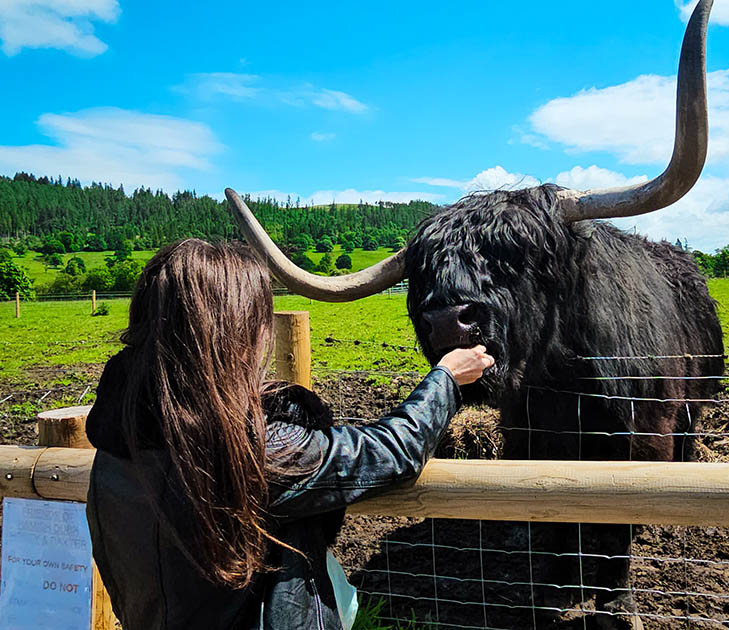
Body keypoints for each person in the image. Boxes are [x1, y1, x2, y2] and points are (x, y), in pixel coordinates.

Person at [85, 238, 494, 630]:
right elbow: (390, 451)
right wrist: (446, 378)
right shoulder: (252, 451)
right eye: (258, 318)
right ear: (233, 333)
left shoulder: (115, 441)